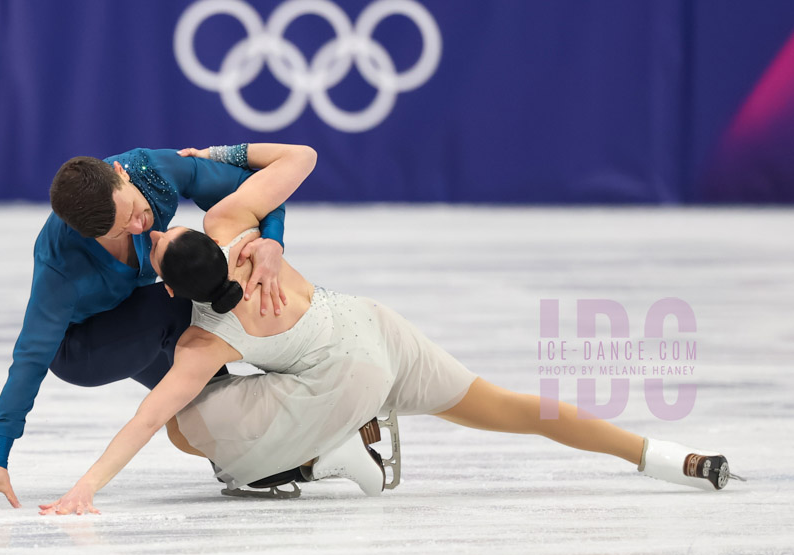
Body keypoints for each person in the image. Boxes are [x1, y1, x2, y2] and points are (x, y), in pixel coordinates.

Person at [39, 144, 741, 516]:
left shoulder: (202, 339)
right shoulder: (234, 228)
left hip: (341, 382)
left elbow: (144, 416)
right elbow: (302, 157)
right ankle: (664, 456)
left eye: (155, 240)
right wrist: (229, 172)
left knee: (191, 433)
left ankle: (328, 454)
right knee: (514, 407)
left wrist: (86, 488)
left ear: (166, 290)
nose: (153, 230)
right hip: (371, 326)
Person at [0, 143, 308, 512]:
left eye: (135, 211)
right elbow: (30, 359)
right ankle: (259, 439)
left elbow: (259, 189)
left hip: (140, 315)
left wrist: (271, 242)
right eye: (121, 230)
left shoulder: (152, 170)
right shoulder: (60, 264)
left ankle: (269, 435)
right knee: (184, 305)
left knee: (207, 284)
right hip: (83, 349)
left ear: (121, 173)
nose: (141, 228)